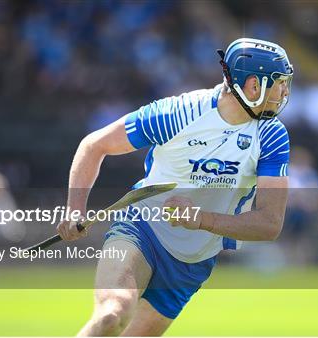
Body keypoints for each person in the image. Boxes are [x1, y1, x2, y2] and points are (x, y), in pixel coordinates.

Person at [57, 38, 294, 336]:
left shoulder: (272, 137)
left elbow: (269, 223)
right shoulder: (179, 113)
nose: (285, 91)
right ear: (253, 85)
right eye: (279, 83)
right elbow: (94, 145)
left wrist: (201, 219)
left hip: (191, 263)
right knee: (111, 315)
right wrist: (74, 210)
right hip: (141, 230)